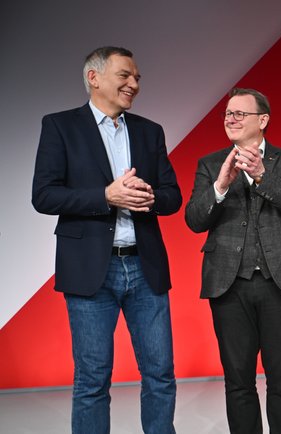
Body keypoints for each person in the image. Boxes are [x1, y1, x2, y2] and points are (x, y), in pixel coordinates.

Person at [32, 46, 181, 434]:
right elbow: (44, 195)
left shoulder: (150, 131)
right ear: (94, 78)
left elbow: (172, 196)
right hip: (90, 271)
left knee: (161, 374)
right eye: (125, 76)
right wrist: (105, 196)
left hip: (144, 266)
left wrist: (147, 197)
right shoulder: (60, 126)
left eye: (137, 79)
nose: (133, 84)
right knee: (92, 380)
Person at [184, 88, 281, 434]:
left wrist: (261, 176)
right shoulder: (211, 164)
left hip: (278, 282)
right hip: (228, 283)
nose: (231, 119)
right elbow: (194, 220)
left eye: (240, 113)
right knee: (238, 380)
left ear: (263, 120)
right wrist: (220, 187)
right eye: (228, 114)